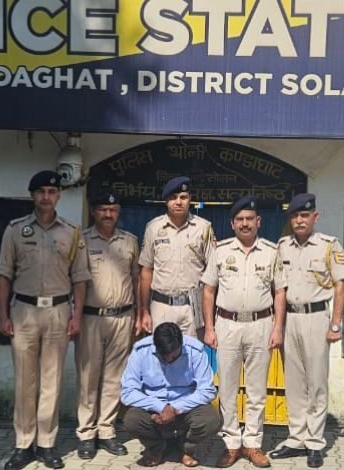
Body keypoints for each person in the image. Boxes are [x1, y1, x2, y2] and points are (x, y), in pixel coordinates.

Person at [0, 170, 90, 470]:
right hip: (23, 311)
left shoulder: (72, 233)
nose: (46, 197)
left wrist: (76, 316)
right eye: (41, 192)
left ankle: (46, 444)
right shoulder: (15, 230)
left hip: (58, 312)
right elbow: (3, 274)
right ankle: (24, 444)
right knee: (25, 382)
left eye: (51, 191)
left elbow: (80, 278)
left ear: (59, 195)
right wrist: (3, 315)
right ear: (32, 195)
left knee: (52, 381)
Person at [201, 195, 286, 468]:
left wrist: (278, 328)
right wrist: (209, 328)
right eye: (240, 219)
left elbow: (280, 292)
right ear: (232, 223)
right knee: (227, 389)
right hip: (227, 324)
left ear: (258, 221)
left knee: (257, 390)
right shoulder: (220, 251)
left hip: (261, 324)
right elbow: (208, 291)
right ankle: (231, 444)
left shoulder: (271, 252)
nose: (245, 223)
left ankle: (253, 443)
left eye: (250, 219)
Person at [269, 193, 344, 468]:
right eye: (294, 216)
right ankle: (296, 438)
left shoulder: (328, 245)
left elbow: (341, 285)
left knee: (316, 382)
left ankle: (315, 442)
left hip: (316, 318)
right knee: (294, 382)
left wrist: (335, 324)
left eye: (304, 215)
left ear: (315, 217)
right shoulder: (283, 246)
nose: (299, 220)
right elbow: (278, 287)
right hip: (290, 318)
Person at [75, 191, 138, 459]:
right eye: (103, 209)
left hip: (122, 317)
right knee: (88, 377)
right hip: (90, 318)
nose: (108, 214)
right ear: (93, 212)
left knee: (115, 378)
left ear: (118, 211)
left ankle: (106, 431)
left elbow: (136, 279)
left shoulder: (130, 241)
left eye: (112, 209)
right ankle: (86, 434)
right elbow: (75, 281)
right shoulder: (81, 240)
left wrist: (139, 313)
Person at [121, 322, 221, 468]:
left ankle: (186, 447)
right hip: (153, 410)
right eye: (163, 356)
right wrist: (159, 407)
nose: (168, 360)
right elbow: (127, 392)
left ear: (181, 344)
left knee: (211, 420)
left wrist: (175, 408)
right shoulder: (141, 351)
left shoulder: (195, 351)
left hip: (186, 408)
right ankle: (156, 447)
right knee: (132, 420)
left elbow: (208, 390)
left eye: (174, 356)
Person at [137, 176, 215, 337]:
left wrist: (210, 317)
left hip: (193, 307)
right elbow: (146, 271)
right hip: (161, 306)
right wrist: (144, 310)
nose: (178, 202)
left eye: (183, 197)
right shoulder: (153, 228)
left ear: (190, 199)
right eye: (173, 198)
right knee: (161, 350)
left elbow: (213, 272)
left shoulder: (204, 228)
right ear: (166, 201)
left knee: (192, 351)